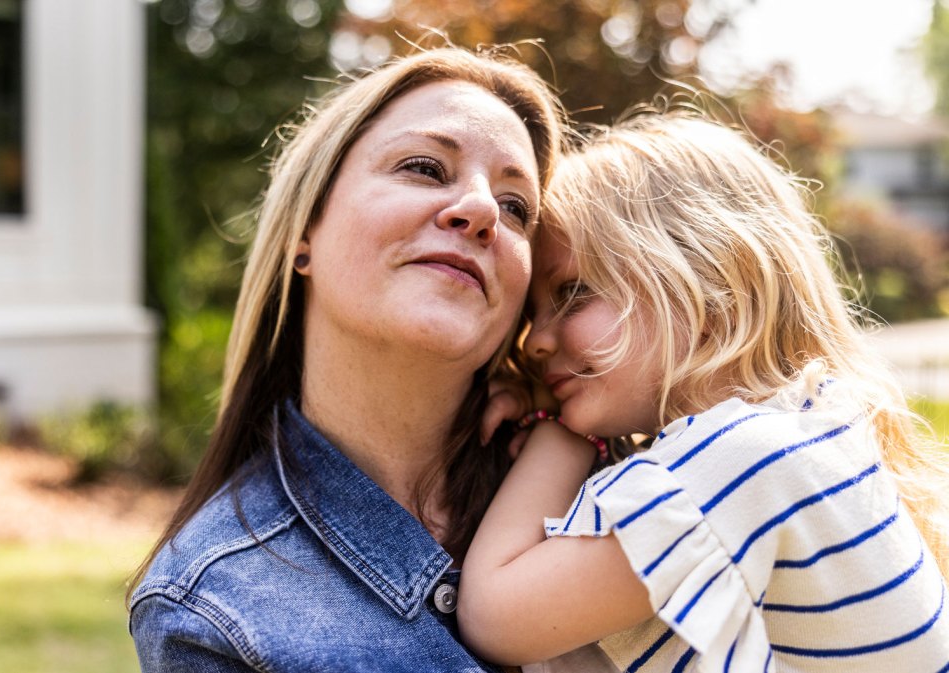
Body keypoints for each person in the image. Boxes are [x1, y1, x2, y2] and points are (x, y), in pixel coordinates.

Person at [126, 47, 566, 671]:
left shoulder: (621, 482)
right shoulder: (213, 612)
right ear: (305, 232)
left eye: (517, 206)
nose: (483, 210)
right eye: (424, 167)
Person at [457, 113, 949, 672]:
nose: (537, 342)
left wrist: (562, 434)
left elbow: (494, 616)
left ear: (710, 284)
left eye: (574, 292)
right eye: (533, 314)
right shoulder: (813, 423)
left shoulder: (744, 459)